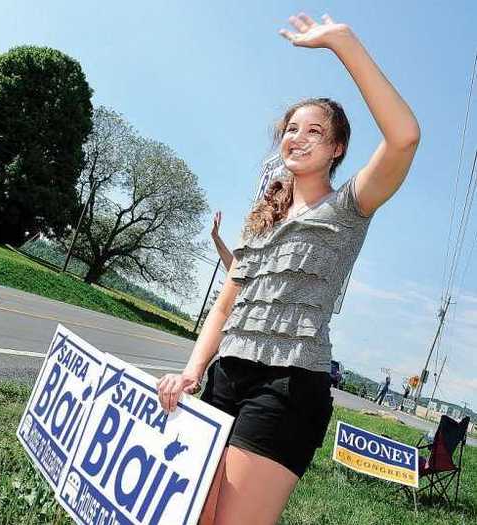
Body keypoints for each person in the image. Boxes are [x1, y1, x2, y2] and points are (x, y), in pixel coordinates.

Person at [157, 12, 420, 525]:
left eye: (314, 132)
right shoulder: (261, 219)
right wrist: (192, 371)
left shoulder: (349, 208)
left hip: (288, 386)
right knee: (191, 517)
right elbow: (226, 304)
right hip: (224, 376)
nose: (297, 138)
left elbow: (405, 137)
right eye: (290, 129)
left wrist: (342, 43)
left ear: (337, 148)